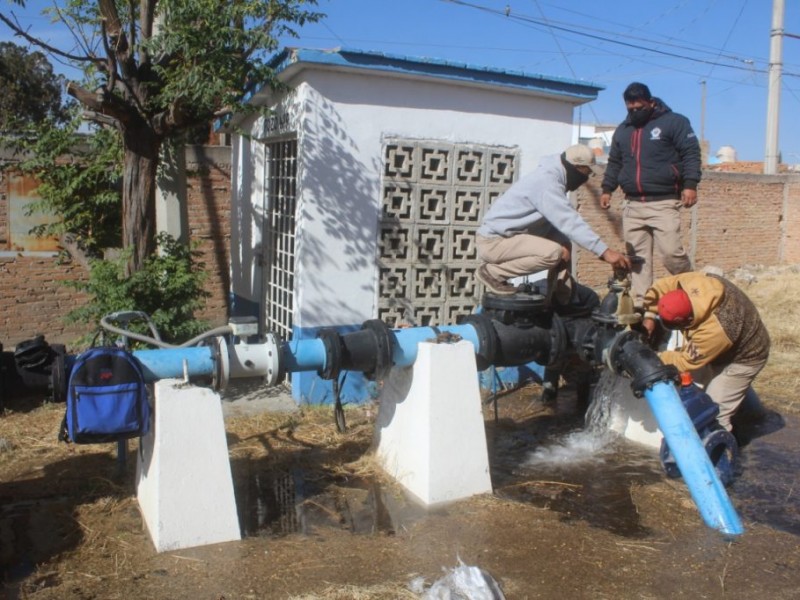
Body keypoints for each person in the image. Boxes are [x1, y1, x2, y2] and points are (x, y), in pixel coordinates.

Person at [475, 144, 631, 301]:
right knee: (553, 253)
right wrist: (605, 252)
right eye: (587, 171)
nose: (587, 177)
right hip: (493, 242)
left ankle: (561, 298)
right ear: (576, 166)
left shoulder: (554, 177)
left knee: (563, 245)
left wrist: (598, 251)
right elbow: (569, 221)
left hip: (510, 235)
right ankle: (493, 273)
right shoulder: (547, 183)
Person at [600, 82, 702, 307]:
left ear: (651, 102)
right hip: (633, 205)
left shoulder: (674, 122)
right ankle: (642, 307)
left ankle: (693, 291)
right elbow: (615, 162)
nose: (635, 112)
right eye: (630, 109)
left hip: (664, 202)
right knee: (638, 262)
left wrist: (690, 184)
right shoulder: (623, 130)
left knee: (672, 254)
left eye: (639, 107)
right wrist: (607, 189)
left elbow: (691, 154)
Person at [641, 271, 770, 433]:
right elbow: (657, 289)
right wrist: (650, 316)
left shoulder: (718, 329)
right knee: (701, 380)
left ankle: (718, 452)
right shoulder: (688, 282)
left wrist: (655, 357)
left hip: (745, 357)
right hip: (732, 336)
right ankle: (750, 414)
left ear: (685, 321)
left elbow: (685, 361)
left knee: (713, 412)